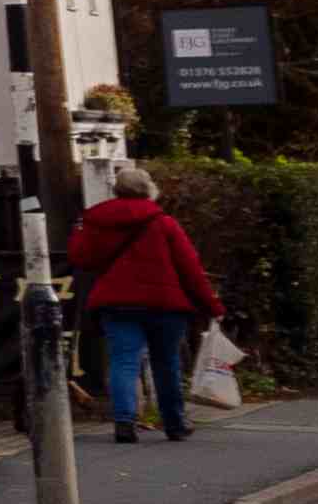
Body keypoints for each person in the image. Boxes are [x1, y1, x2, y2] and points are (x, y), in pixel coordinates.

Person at [68, 173, 217, 439]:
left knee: (123, 361)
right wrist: (211, 305)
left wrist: (81, 229)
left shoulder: (97, 220)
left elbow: (80, 258)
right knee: (167, 363)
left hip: (117, 303)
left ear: (116, 190)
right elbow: (189, 268)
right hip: (165, 305)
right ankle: (175, 423)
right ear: (149, 189)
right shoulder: (164, 223)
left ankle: (124, 421)